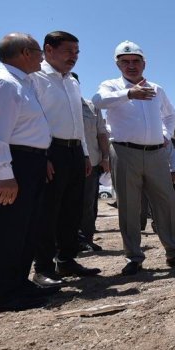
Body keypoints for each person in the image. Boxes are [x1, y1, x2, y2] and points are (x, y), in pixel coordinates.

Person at [92, 41, 175, 276]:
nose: (131, 66)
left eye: (136, 61)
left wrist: (167, 134)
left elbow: (170, 114)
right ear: (117, 64)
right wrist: (129, 94)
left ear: (144, 63)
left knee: (166, 203)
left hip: (157, 152)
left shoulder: (157, 88)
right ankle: (134, 257)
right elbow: (98, 101)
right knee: (129, 206)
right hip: (125, 151)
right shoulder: (111, 86)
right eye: (125, 62)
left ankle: (174, 252)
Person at [0, 33, 55, 311]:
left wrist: (41, 157)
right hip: (13, 164)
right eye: (38, 51)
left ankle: (19, 284)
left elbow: (28, 129)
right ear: (24, 52)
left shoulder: (24, 83)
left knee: (27, 228)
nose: (42, 57)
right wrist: (4, 174)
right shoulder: (2, 84)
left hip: (30, 162)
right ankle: (2, 294)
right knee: (9, 230)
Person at [30, 32, 100, 282]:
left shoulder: (72, 81)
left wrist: (84, 153)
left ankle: (66, 261)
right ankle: (43, 268)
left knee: (72, 210)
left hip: (74, 152)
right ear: (49, 50)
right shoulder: (36, 78)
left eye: (77, 52)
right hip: (51, 151)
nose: (74, 57)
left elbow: (77, 122)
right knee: (48, 211)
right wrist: (44, 155)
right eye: (69, 51)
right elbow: (36, 119)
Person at [75, 72, 110, 251]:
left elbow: (101, 134)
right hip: (65, 163)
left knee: (88, 204)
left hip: (93, 163)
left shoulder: (91, 107)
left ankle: (86, 239)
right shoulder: (54, 106)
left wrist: (105, 158)